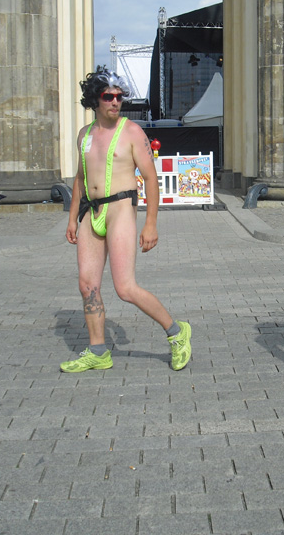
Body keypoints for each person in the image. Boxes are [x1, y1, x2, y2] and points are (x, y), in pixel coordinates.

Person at [61, 67, 191, 374]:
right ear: (95, 99)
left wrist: (151, 223)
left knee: (125, 287)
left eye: (119, 97)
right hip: (90, 212)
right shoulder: (85, 135)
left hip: (121, 209)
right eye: (108, 96)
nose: (115, 102)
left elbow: (151, 177)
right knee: (88, 285)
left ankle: (176, 332)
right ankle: (97, 351)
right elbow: (80, 178)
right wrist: (70, 218)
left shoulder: (132, 132)